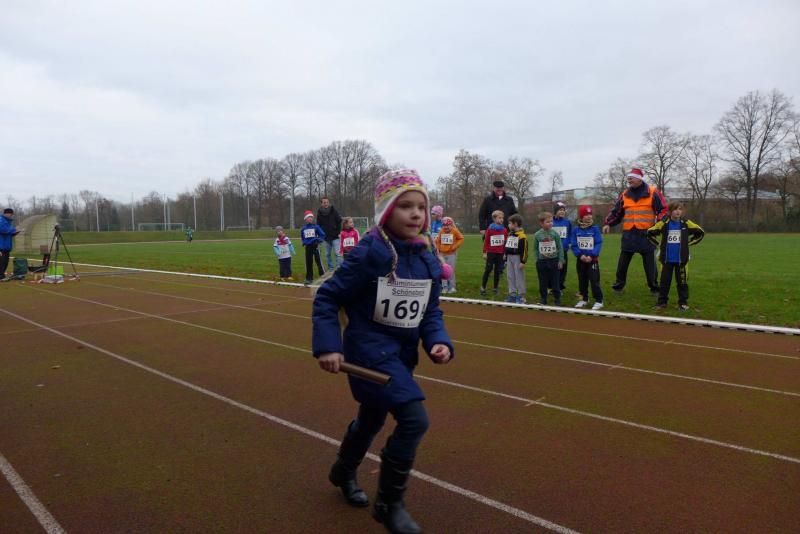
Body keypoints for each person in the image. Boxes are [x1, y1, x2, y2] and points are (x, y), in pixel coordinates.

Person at [312, 169, 453, 534]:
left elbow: (430, 312)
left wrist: (438, 341)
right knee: (414, 419)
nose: (416, 213)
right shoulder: (370, 252)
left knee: (372, 418)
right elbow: (328, 297)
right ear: (386, 211)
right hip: (368, 353)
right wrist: (328, 346)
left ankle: (343, 470)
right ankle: (389, 505)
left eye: (421, 206)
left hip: (401, 355)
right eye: (405, 206)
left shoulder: (426, 256)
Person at [602, 167, 668, 294]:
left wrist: (660, 223)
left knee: (650, 264)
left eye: (631, 178)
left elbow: (663, 209)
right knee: (623, 263)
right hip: (629, 234)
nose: (629, 180)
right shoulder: (624, 194)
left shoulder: (653, 192)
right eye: (628, 178)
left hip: (647, 234)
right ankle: (618, 286)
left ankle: (654, 288)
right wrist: (608, 223)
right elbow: (617, 212)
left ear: (639, 179)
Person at [647, 201, 705, 310]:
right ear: (670, 211)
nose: (678, 211)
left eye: (680, 209)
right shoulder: (664, 223)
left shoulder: (686, 223)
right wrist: (658, 244)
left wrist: (688, 244)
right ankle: (662, 303)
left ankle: (683, 304)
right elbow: (649, 232)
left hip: (681, 260)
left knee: (682, 283)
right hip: (666, 260)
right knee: (664, 283)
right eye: (675, 209)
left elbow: (701, 232)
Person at [570, 205, 604, 310]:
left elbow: (598, 243)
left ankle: (599, 300)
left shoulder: (595, 229)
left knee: (594, 280)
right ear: (581, 216)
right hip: (581, 260)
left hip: (592, 260)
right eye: (586, 215)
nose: (589, 216)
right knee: (582, 280)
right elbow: (573, 244)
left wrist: (592, 255)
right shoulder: (575, 230)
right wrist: (580, 255)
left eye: (590, 214)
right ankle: (584, 299)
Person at [533, 211, 564, 305]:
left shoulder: (555, 234)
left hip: (554, 260)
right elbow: (535, 249)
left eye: (551, 221)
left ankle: (557, 298)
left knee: (555, 281)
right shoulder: (537, 235)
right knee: (542, 281)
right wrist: (537, 259)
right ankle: (543, 298)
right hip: (542, 262)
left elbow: (560, 247)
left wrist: (561, 260)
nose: (550, 223)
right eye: (548, 222)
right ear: (541, 223)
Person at [434, 216, 464, 294]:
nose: (446, 227)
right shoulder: (441, 231)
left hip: (451, 254)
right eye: (444, 225)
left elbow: (461, 238)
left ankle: (452, 287)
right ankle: (445, 287)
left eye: (448, 225)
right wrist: (438, 249)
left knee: (451, 271)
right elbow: (437, 241)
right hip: (442, 254)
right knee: (443, 271)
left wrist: (455, 246)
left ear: (451, 225)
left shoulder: (455, 231)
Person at [481, 210, 507, 296]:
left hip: (500, 253)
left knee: (497, 271)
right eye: (499, 218)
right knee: (488, 269)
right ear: (494, 219)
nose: (501, 219)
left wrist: (505, 253)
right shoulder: (490, 229)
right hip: (491, 253)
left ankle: (495, 288)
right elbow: (486, 241)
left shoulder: (504, 230)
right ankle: (483, 287)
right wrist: (484, 252)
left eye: (502, 218)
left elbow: (505, 243)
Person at [504, 213, 529, 303]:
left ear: (515, 224)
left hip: (518, 258)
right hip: (509, 258)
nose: (508, 225)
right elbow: (507, 245)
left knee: (519, 277)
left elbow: (525, 250)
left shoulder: (522, 236)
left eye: (510, 223)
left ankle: (521, 296)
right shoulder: (510, 234)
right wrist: (505, 255)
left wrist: (523, 261)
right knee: (510, 276)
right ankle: (512, 294)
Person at [317, 196, 343, 270]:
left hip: (335, 236)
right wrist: (320, 235)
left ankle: (339, 268)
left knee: (337, 253)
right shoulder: (319, 213)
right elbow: (318, 225)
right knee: (327, 254)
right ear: (321, 204)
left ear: (329, 203)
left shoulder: (334, 211)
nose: (326, 204)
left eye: (327, 202)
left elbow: (339, 221)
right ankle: (331, 268)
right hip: (326, 238)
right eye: (324, 202)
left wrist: (338, 232)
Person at [301, 211, 326, 285]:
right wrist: (304, 242)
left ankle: (323, 277)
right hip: (308, 247)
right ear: (305, 219)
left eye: (311, 217)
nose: (310, 219)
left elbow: (322, 235)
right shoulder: (303, 228)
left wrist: (318, 240)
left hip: (315, 246)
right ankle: (309, 278)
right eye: (308, 217)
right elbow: (303, 237)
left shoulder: (316, 227)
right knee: (308, 263)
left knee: (319, 262)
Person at [552, 201, 572, 292]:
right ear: (555, 211)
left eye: (563, 210)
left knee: (563, 268)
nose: (562, 211)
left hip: (563, 249)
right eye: (560, 210)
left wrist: (569, 243)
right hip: (552, 250)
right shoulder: (551, 222)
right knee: (552, 268)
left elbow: (570, 234)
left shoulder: (567, 222)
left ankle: (560, 287)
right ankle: (551, 286)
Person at [0, 208, 22, 278]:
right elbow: (4, 230)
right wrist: (14, 229)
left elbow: (8, 233)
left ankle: (2, 275)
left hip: (6, 246)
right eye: (11, 214)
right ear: (6, 213)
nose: (11, 216)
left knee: (5, 262)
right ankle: (1, 276)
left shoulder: (7, 222)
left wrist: (16, 232)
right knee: (2, 262)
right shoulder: (1, 220)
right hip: (1, 246)